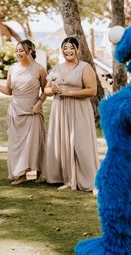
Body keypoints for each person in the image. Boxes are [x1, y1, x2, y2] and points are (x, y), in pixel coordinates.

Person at [41, 36, 99, 193]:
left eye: (71, 47)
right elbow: (45, 90)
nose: (68, 51)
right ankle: (66, 178)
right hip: (60, 109)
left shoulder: (85, 67)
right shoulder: (56, 68)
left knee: (80, 143)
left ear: (77, 50)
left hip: (79, 109)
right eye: (65, 48)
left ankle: (89, 178)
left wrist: (69, 92)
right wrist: (51, 90)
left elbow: (92, 91)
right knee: (62, 142)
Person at [0, 39, 47, 185]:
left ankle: (35, 172)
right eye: (17, 50)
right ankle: (21, 172)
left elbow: (45, 91)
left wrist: (39, 104)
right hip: (16, 110)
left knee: (33, 143)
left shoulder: (39, 69)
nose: (19, 53)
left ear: (30, 51)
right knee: (17, 144)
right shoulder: (12, 69)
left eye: (22, 50)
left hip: (32, 111)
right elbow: (9, 91)